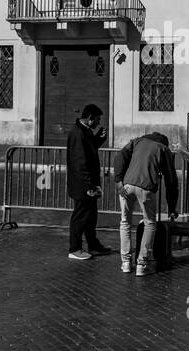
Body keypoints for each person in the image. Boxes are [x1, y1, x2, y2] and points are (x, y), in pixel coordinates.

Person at [113, 131, 179, 276]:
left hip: (126, 185)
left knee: (125, 222)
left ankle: (125, 262)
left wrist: (118, 181)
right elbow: (171, 181)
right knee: (150, 223)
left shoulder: (136, 141)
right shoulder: (163, 149)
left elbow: (120, 156)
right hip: (146, 187)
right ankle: (141, 263)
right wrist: (172, 207)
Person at [65, 104, 111, 261]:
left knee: (91, 215)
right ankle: (75, 248)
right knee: (80, 216)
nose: (98, 123)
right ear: (90, 118)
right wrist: (89, 185)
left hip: (87, 183)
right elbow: (81, 163)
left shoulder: (84, 132)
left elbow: (89, 150)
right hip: (83, 185)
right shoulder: (78, 133)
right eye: (97, 119)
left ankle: (93, 244)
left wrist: (99, 139)